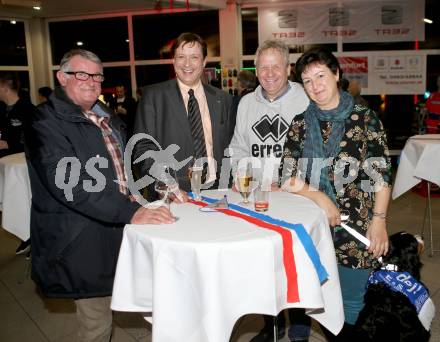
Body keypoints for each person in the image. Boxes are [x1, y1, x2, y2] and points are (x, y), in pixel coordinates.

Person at [24, 49, 175, 342]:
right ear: (62, 77)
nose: (91, 81)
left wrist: (155, 190)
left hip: (117, 229)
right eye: (82, 74)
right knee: (97, 323)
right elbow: (70, 183)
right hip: (81, 237)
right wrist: (130, 212)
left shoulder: (107, 117)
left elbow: (123, 168)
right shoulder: (44, 121)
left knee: (144, 302)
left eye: (97, 75)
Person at [279, 47, 392, 341]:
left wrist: (379, 221)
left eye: (320, 76)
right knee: (319, 298)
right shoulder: (301, 124)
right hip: (311, 228)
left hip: (356, 228)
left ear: (337, 75)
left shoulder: (365, 119)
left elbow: (382, 176)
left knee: (353, 303)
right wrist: (321, 198)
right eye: (307, 80)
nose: (315, 86)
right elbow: (286, 176)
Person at [228, 39, 310, 342]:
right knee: (265, 261)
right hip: (259, 196)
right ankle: (269, 322)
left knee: (296, 259)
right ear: (256, 70)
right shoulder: (247, 103)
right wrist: (240, 172)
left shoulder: (305, 99)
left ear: (288, 68)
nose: (270, 73)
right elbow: (237, 146)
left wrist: (288, 180)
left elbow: (314, 149)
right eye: (264, 67)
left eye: (277, 66)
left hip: (296, 194)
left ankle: (299, 319)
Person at [134, 32, 234, 199]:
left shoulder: (223, 99)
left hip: (218, 190)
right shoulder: (153, 97)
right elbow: (144, 149)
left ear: (203, 62)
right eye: (181, 57)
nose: (187, 63)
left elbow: (230, 145)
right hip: (174, 194)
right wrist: (165, 185)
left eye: (194, 57)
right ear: (173, 61)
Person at [0, 71, 38, 255]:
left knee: (27, 198)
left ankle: (33, 237)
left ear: (4, 88)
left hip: (23, 165)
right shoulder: (3, 110)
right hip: (7, 164)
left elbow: (34, 139)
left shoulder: (27, 109)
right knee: (14, 200)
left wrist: (8, 143)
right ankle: (26, 234)